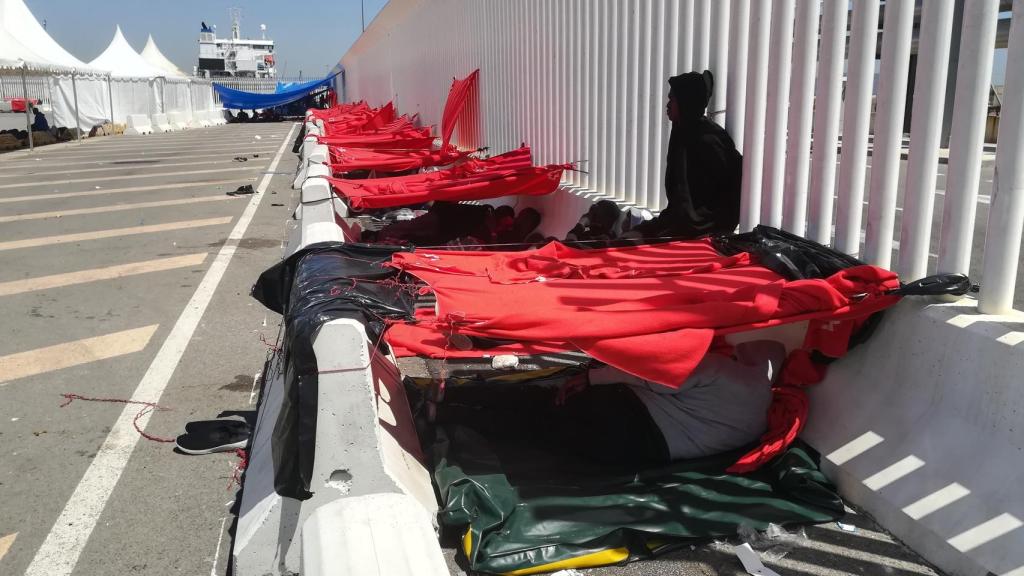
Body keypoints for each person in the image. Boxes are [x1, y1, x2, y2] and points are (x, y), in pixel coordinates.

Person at [439, 340, 785, 468]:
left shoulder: (723, 369)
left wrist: (592, 378)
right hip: (640, 452)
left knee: (539, 402)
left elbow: (657, 378)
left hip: (628, 416)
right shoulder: (760, 416)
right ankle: (444, 412)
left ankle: (450, 395)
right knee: (538, 430)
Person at [628, 70, 742, 240]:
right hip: (680, 222)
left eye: (671, 100)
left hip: (704, 229)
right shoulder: (682, 131)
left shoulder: (709, 139)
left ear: (685, 101)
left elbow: (730, 190)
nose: (667, 105)